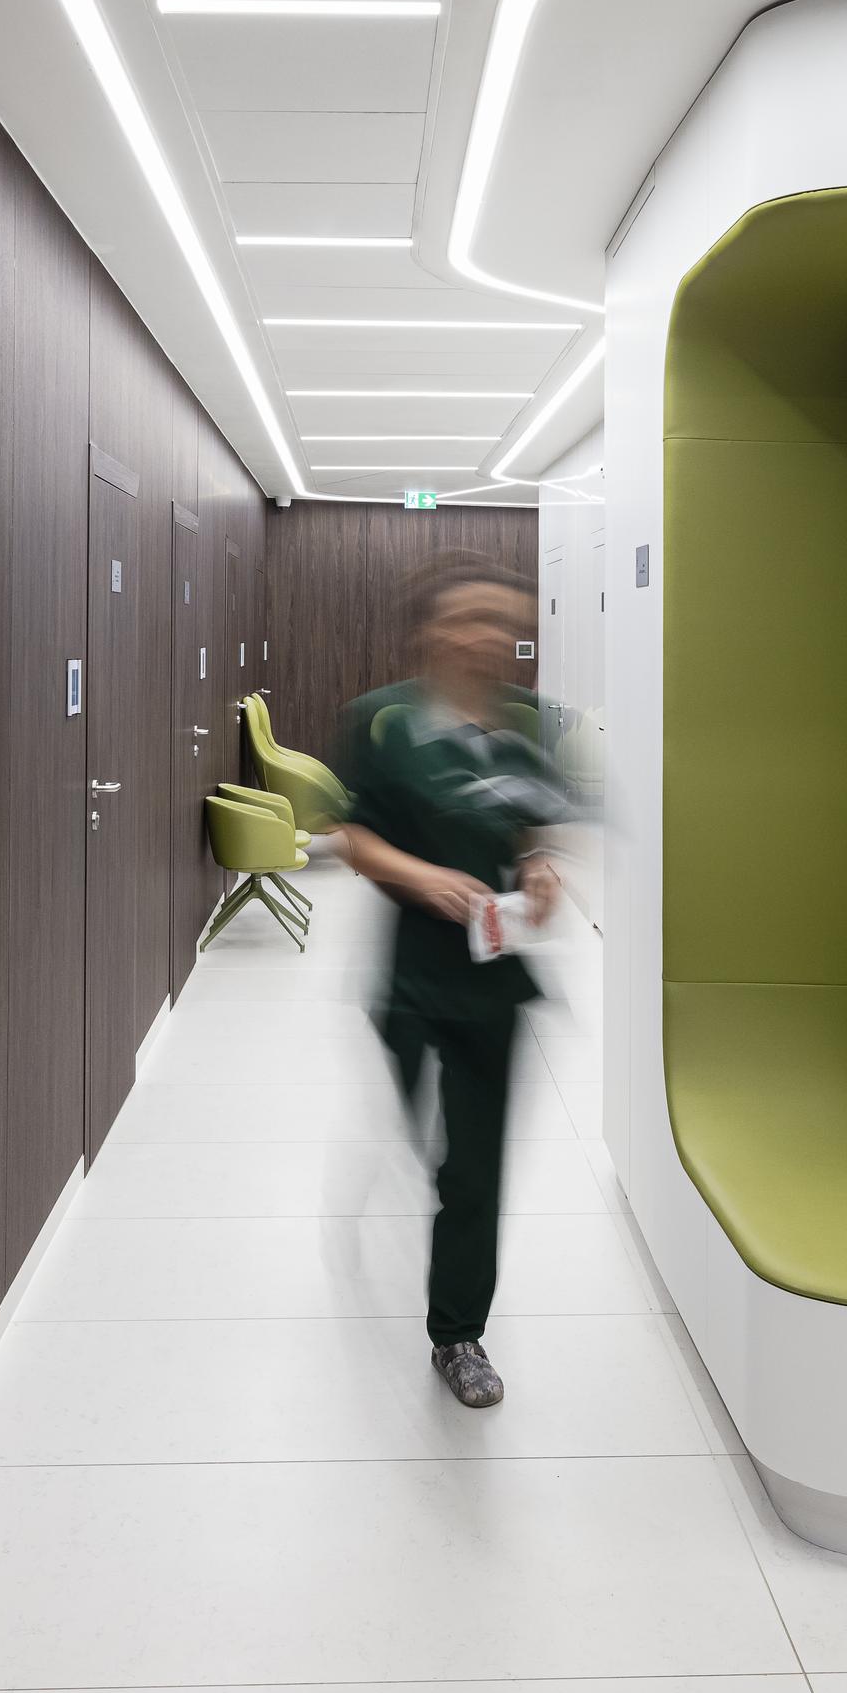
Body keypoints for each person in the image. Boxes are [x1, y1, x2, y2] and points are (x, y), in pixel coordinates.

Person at [336, 556, 568, 1409]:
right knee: (412, 1134)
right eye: (466, 618)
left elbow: (533, 827)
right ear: (429, 628)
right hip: (410, 973)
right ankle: (400, 1174)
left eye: (502, 623)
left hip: (493, 977)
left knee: (472, 1168)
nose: (486, 637)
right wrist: (421, 875)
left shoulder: (530, 721)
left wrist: (540, 868)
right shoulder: (380, 720)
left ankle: (458, 1334)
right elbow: (349, 838)